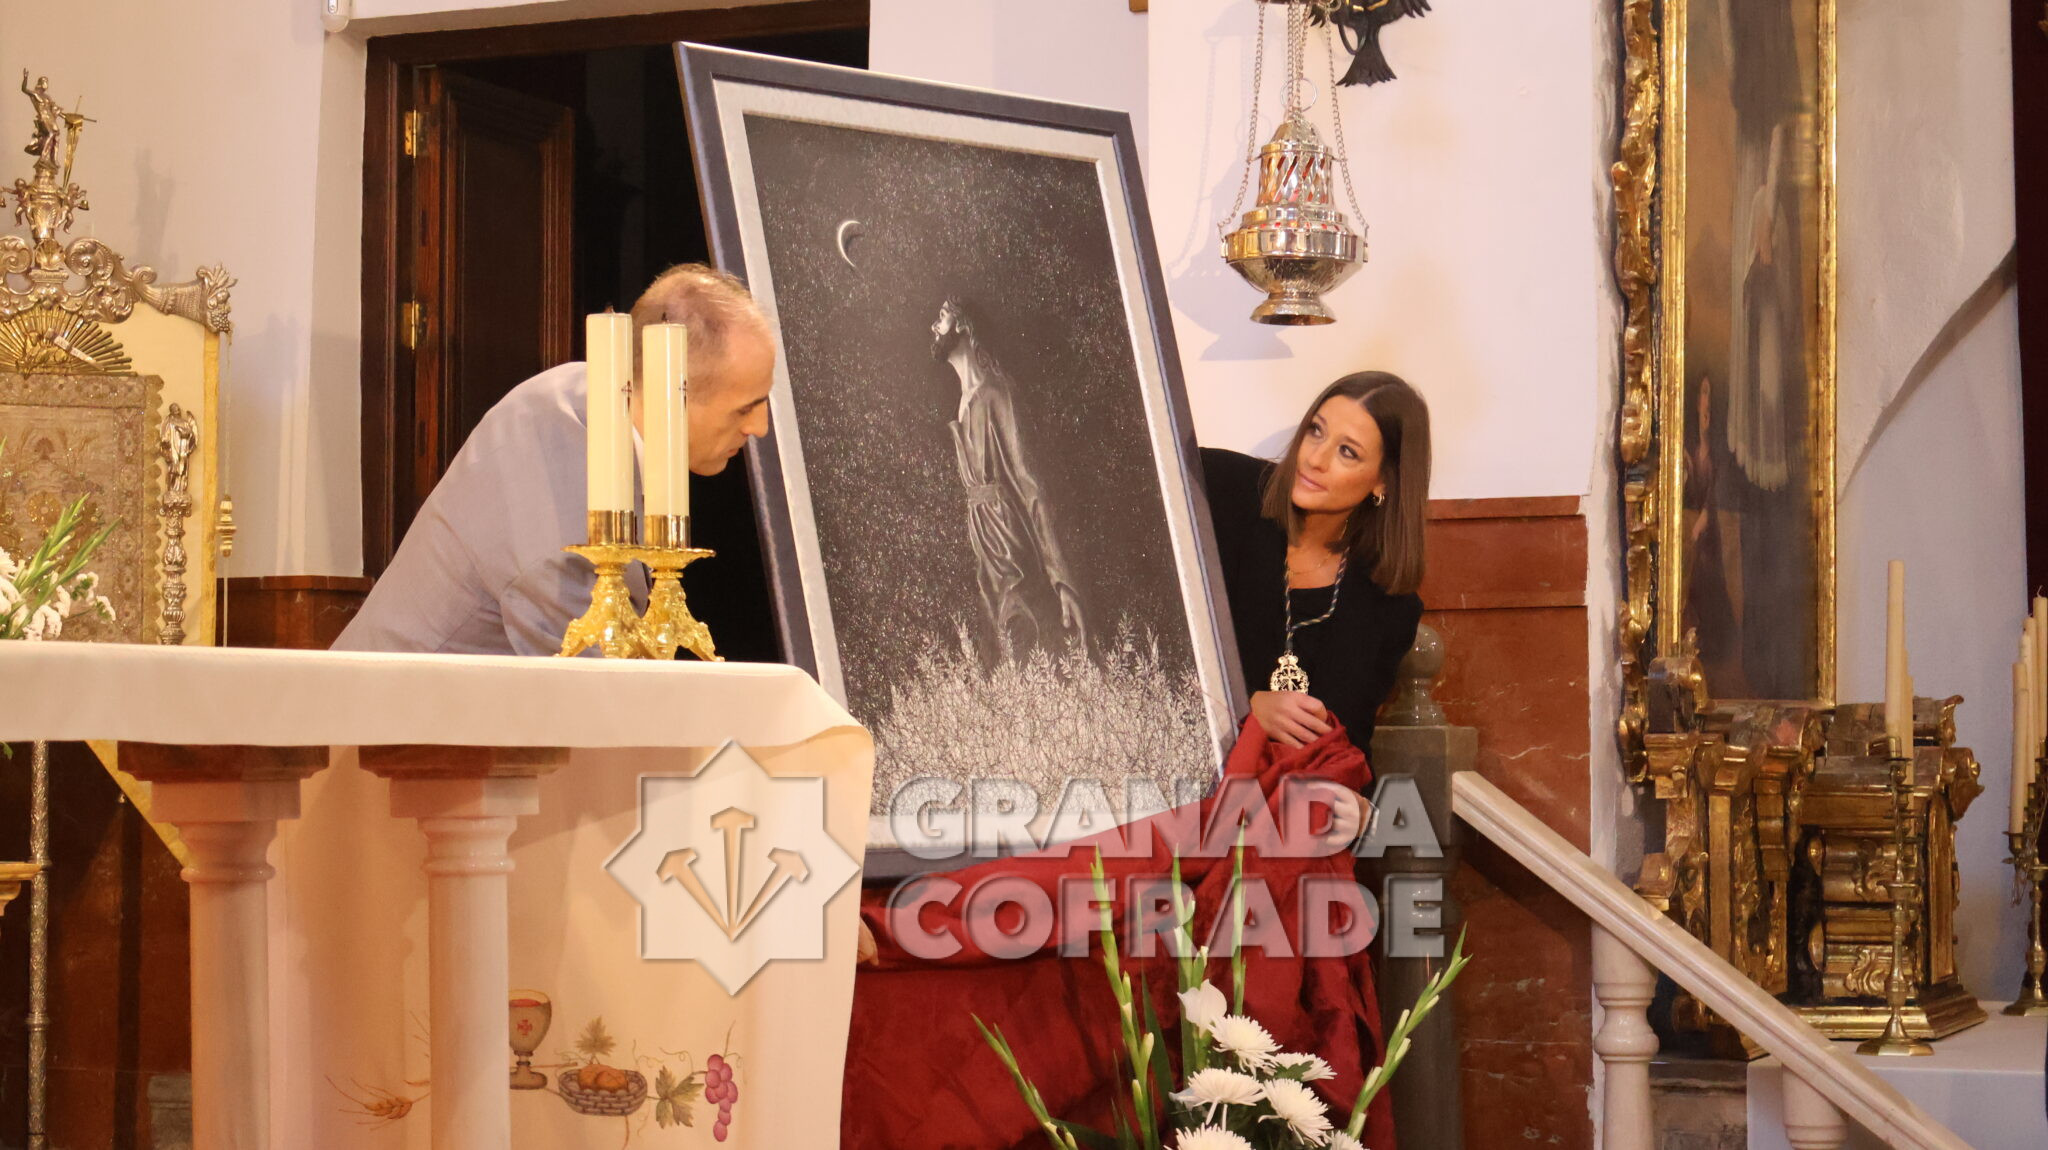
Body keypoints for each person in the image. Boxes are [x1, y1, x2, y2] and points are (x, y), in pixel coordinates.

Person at [334, 264, 775, 656]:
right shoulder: (563, 493)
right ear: (670, 393)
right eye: (745, 408)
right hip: (392, 719)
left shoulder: (593, 393)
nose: (759, 427)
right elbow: (598, 695)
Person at [1202, 372, 1430, 750]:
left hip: (1293, 784)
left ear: (1384, 482)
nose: (1315, 459)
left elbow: (1346, 745)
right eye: (1316, 431)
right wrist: (1243, 709)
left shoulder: (1388, 606)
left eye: (1347, 452)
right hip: (1179, 768)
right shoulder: (1219, 490)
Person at [930, 296, 1090, 667]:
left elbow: (1029, 484)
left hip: (1008, 539)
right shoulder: (964, 401)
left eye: (942, 317)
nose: (933, 327)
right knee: (999, 652)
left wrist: (1061, 578)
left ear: (963, 325)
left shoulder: (995, 393)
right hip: (982, 540)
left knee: (1026, 640)